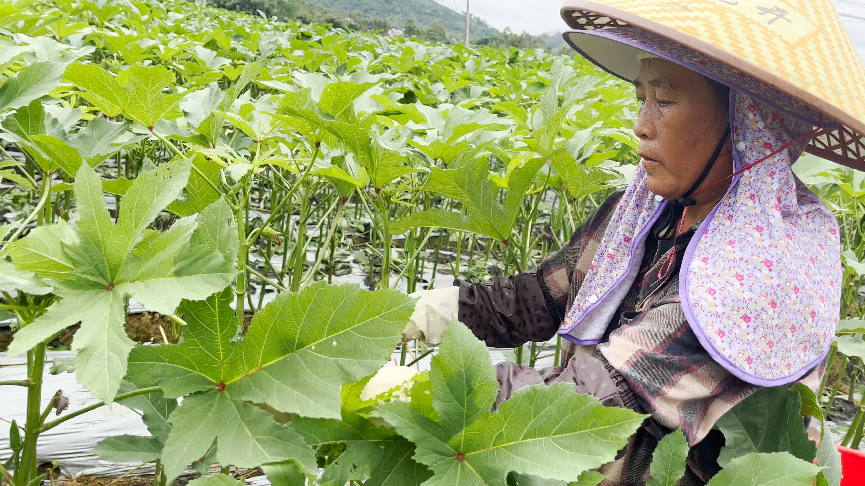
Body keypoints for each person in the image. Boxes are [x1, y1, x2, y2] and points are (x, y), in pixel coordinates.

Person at [402, 0, 865, 484]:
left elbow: (590, 401)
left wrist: (417, 392)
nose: (641, 124)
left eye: (663, 101)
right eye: (639, 97)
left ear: (747, 125)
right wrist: (424, 313)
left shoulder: (754, 274)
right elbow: (539, 296)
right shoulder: (645, 213)